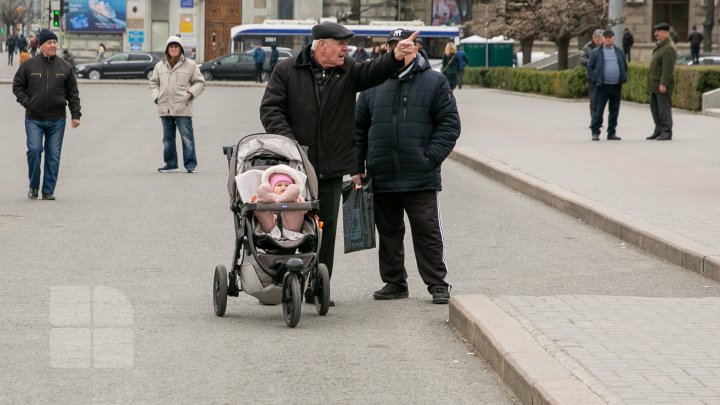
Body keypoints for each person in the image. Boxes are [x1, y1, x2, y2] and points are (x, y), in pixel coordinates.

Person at [259, 21, 418, 305]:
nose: (347, 49)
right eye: (341, 44)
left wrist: (394, 57)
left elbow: (373, 72)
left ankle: (318, 285)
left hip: (331, 167)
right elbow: (271, 109)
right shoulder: (287, 70)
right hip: (294, 167)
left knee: (325, 227)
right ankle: (280, 279)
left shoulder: (349, 69)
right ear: (322, 45)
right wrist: (291, 144)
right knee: (287, 223)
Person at [353, 28, 460, 304]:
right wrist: (357, 167)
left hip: (419, 174)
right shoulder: (371, 85)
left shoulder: (436, 82)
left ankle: (437, 283)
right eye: (395, 45)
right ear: (390, 49)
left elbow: (449, 126)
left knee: (426, 230)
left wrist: (429, 157)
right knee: (388, 231)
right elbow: (358, 129)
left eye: (410, 44)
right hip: (382, 172)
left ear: (418, 47)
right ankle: (394, 282)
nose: (402, 48)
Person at [12, 29, 81, 200]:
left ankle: (48, 190)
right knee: (34, 150)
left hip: (57, 119)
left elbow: (73, 92)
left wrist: (75, 114)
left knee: (53, 155)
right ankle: (34, 186)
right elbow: (17, 86)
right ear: (41, 45)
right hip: (34, 118)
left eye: (54, 42)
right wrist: (28, 103)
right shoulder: (29, 65)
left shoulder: (65, 67)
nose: (52, 45)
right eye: (49, 42)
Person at [149, 36, 206, 173]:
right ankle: (171, 164)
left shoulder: (190, 65)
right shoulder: (159, 65)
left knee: (187, 138)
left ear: (181, 49)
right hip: (165, 107)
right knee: (168, 139)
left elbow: (200, 82)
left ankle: (190, 165)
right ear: (167, 49)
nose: (173, 49)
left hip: (182, 107)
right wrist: (157, 97)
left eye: (176, 46)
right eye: (171, 46)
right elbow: (153, 83)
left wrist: (189, 94)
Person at [587, 29, 627, 142]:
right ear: (603, 38)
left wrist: (624, 77)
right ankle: (595, 132)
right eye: (606, 37)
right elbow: (589, 67)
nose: (608, 39)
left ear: (614, 38)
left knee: (614, 111)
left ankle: (611, 132)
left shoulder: (619, 51)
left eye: (610, 37)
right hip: (602, 86)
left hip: (616, 86)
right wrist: (594, 79)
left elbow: (624, 66)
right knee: (598, 110)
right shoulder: (596, 52)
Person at [252, 164, 306, 235]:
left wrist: (300, 203)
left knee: (296, 207)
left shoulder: (296, 197)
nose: (283, 188)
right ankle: (265, 209)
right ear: (271, 187)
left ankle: (290, 201)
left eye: (287, 185)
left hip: (291, 229)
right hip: (270, 227)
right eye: (279, 185)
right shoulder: (268, 197)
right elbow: (253, 203)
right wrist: (254, 201)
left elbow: (305, 209)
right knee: (263, 204)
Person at [646, 23, 677, 141]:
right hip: (655, 84)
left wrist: (663, 83)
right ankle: (658, 130)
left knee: (664, 109)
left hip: (661, 85)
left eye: (658, 32)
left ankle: (666, 131)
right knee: (655, 108)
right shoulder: (661, 46)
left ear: (665, 32)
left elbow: (668, 69)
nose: (655, 34)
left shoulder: (669, 48)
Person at [581, 29, 605, 119]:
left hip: (603, 77)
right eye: (598, 39)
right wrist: (592, 62)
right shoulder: (587, 47)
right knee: (593, 100)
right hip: (592, 77)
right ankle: (594, 118)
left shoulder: (605, 47)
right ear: (594, 38)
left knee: (601, 100)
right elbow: (582, 60)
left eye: (602, 39)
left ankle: (599, 118)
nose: (600, 41)